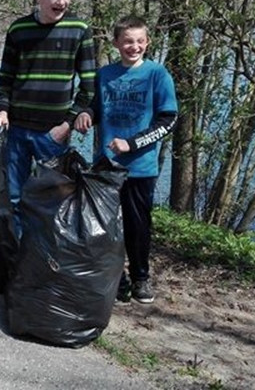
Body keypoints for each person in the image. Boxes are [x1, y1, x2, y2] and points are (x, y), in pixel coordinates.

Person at [76, 15, 178, 304]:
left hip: (139, 168)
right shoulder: (105, 74)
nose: (134, 46)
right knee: (107, 228)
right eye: (128, 41)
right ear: (116, 43)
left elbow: (168, 120)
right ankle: (115, 277)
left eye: (140, 41)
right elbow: (95, 108)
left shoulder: (157, 75)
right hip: (106, 166)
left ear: (147, 42)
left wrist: (131, 143)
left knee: (137, 227)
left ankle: (140, 278)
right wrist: (86, 115)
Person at [0, 0, 96, 237]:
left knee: (54, 200)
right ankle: (21, 258)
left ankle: (48, 260)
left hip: (53, 134)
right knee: (15, 196)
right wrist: (3, 110)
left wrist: (67, 123)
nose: (62, 1)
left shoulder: (79, 30)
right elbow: (6, 78)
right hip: (18, 130)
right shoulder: (19, 29)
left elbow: (89, 85)